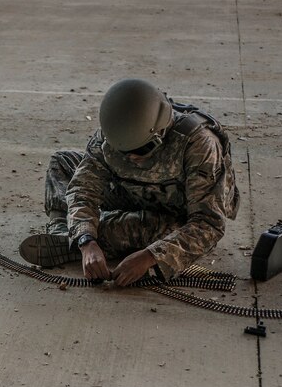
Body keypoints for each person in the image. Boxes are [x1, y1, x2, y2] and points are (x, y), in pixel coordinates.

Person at [19, 78, 240, 286]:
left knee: (157, 228)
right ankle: (62, 231)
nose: (131, 158)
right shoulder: (110, 136)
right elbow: (83, 189)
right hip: (131, 189)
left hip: (174, 209)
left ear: (161, 132)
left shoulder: (199, 144)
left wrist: (149, 257)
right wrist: (87, 241)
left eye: (141, 150)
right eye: (122, 152)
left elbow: (208, 225)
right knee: (63, 161)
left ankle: (84, 237)